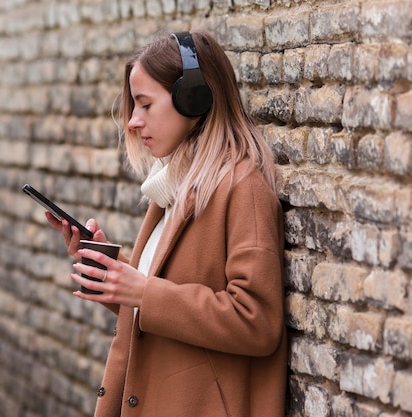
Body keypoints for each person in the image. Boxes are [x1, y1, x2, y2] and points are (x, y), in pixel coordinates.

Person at [46, 30, 287, 417]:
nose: (133, 121)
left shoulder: (244, 189)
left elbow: (256, 322)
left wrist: (143, 292)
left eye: (144, 105)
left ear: (194, 99)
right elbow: (168, 304)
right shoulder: (173, 187)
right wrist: (115, 275)